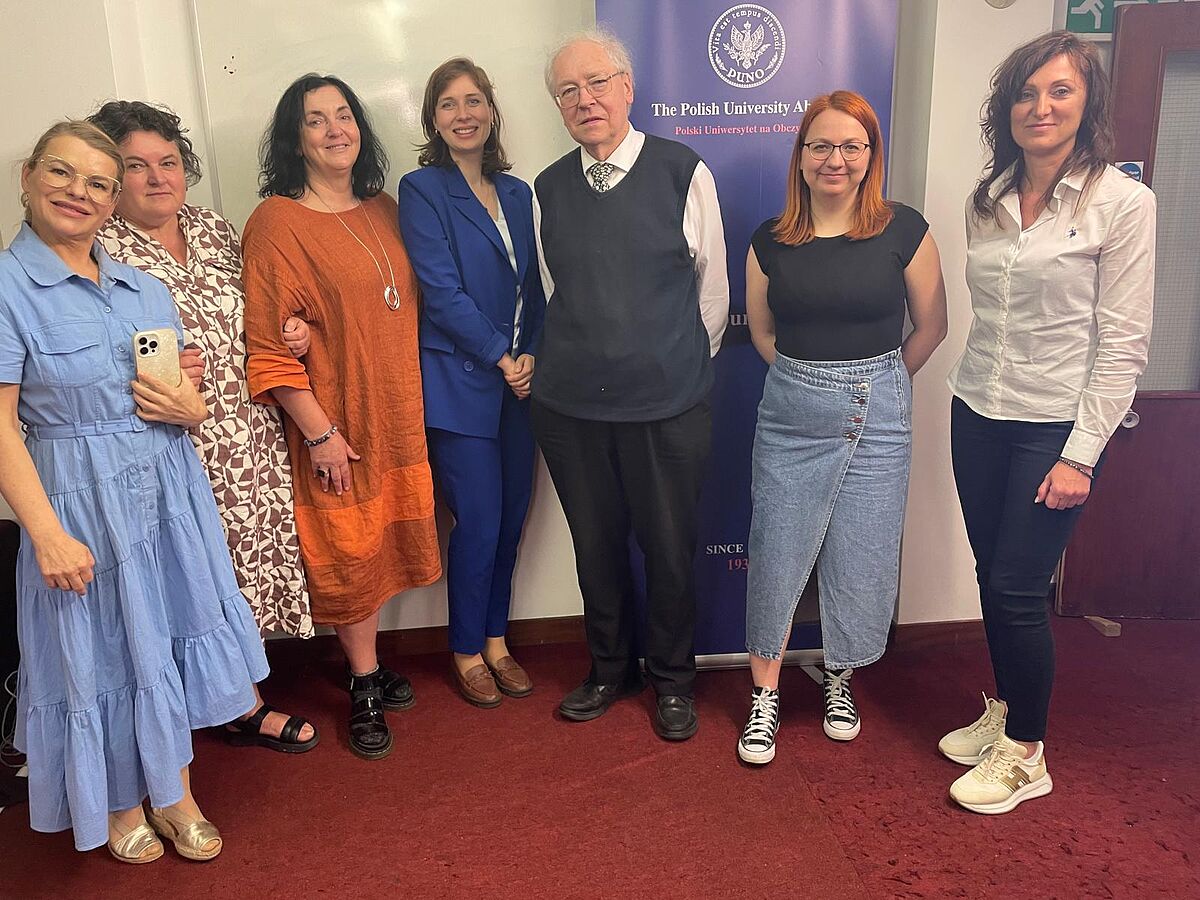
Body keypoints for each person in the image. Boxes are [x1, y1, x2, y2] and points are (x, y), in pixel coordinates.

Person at [0, 121, 268, 861]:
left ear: (113, 200)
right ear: (28, 177)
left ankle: (175, 792)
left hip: (167, 495)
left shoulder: (143, 288)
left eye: (97, 182)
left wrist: (192, 405)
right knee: (103, 652)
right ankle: (121, 805)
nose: (77, 193)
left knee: (166, 638)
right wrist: (46, 533)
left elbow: (182, 394)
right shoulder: (7, 288)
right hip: (77, 500)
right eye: (61, 173)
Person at [942, 31, 1155, 814]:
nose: (1041, 107)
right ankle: (1006, 711)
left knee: (1017, 587)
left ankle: (1027, 752)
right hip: (977, 410)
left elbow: (1124, 343)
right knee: (990, 576)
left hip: (1054, 426)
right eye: (1027, 94)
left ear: (1086, 103)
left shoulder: (1122, 204)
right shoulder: (988, 198)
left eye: (1060, 90)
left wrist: (1082, 455)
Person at [89, 100, 318, 753]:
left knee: (245, 560)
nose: (157, 177)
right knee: (196, 567)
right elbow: (80, 354)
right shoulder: (99, 246)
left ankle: (232, 688)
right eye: (137, 166)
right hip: (172, 442)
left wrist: (292, 331)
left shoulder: (214, 229)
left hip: (249, 432)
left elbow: (260, 308)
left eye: (168, 162)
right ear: (112, 177)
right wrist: (134, 366)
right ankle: (238, 706)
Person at [738, 91, 947, 765]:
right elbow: (762, 333)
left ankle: (839, 677)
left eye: (852, 146)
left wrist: (878, 382)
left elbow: (932, 326)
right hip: (790, 414)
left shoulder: (904, 229)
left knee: (860, 552)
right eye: (821, 145)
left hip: (879, 416)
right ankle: (764, 693)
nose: (836, 159)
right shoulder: (769, 240)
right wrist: (813, 384)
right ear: (800, 156)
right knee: (777, 551)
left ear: (870, 155)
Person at [533, 29, 729, 741]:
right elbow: (557, 289)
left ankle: (673, 680)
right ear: (558, 106)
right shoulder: (547, 188)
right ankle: (610, 669)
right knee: (596, 547)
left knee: (670, 549)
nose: (584, 100)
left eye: (597, 83)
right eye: (567, 91)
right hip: (572, 408)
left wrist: (665, 367)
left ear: (627, 88)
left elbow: (712, 294)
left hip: (667, 407)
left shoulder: (682, 171)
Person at [242, 74, 441, 760]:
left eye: (344, 115)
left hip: (397, 415)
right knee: (349, 550)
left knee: (381, 548)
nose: (335, 130)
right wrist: (321, 433)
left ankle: (371, 664)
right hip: (337, 421)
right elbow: (268, 347)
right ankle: (362, 683)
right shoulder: (277, 222)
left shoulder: (385, 208)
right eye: (315, 120)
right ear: (294, 140)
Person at [398, 58, 545, 707]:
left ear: (491, 109)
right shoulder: (422, 189)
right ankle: (464, 650)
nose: (464, 114)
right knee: (480, 521)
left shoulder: (517, 192)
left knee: (511, 520)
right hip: (461, 383)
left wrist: (532, 352)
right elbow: (440, 291)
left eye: (474, 100)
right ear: (434, 120)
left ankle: (496, 641)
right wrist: (500, 356)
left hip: (520, 386)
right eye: (449, 104)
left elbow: (534, 287)